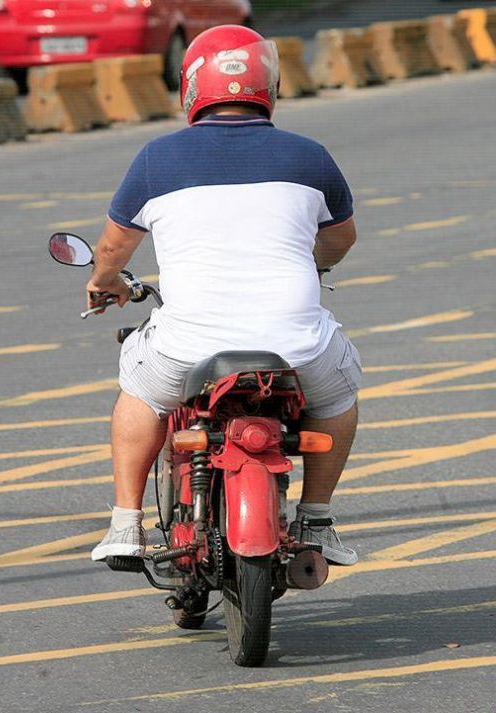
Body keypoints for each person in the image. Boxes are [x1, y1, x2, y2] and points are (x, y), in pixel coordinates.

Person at [88, 25, 361, 566]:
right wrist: (312, 264)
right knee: (338, 397)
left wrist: (104, 282)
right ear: (270, 86)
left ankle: (125, 525)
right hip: (295, 347)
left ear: (190, 87)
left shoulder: (157, 158)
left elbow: (113, 248)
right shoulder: (310, 156)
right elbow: (340, 237)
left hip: (187, 347)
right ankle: (317, 519)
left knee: (139, 390)